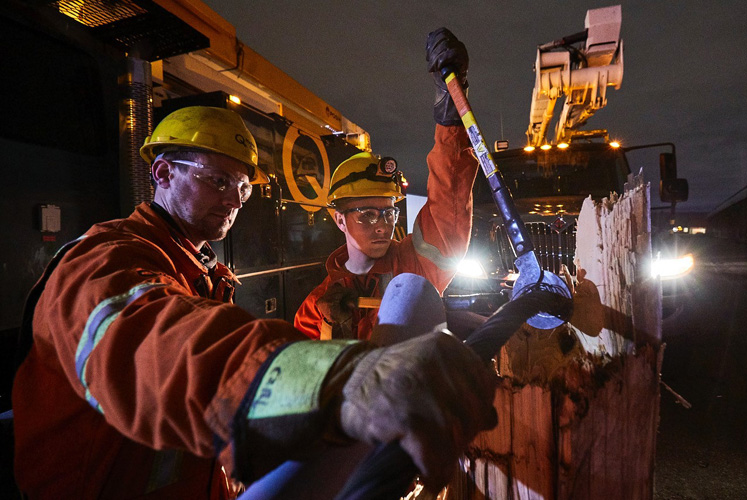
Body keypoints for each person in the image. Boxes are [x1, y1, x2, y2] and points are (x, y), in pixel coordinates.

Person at [11, 106, 497, 498]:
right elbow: (162, 347)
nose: (234, 200)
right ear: (161, 172)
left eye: (242, 188)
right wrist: (341, 380)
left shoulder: (200, 273)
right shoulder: (102, 262)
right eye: (218, 181)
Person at [295, 28, 478, 341]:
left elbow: (448, 201)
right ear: (339, 218)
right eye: (367, 214)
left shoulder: (416, 264)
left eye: (388, 212)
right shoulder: (316, 307)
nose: (382, 225)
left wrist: (449, 115)